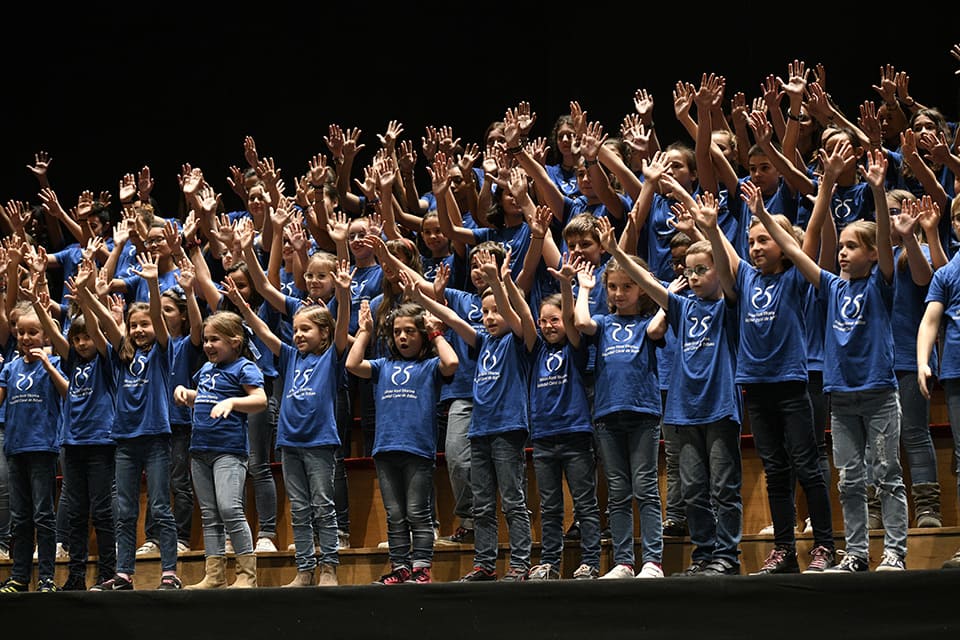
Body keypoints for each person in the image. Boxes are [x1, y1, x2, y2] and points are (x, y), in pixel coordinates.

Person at [752, 146, 909, 573]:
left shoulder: (881, 282)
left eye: (851, 247)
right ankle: (856, 553)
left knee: (887, 475)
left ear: (873, 254)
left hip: (878, 394)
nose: (841, 253)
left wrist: (877, 189)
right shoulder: (831, 287)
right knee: (850, 479)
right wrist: (763, 216)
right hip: (840, 398)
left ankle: (895, 551)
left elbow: (882, 238)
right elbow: (795, 249)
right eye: (839, 246)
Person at [605, 193, 745, 576]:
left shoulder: (729, 303)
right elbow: (646, 283)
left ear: (718, 271)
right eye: (689, 270)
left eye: (703, 269)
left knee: (723, 487)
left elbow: (731, 269)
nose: (695, 276)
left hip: (719, 407)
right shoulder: (682, 307)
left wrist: (709, 229)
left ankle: (727, 558)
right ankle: (704, 555)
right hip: (683, 410)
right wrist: (616, 251)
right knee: (694, 488)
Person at [718, 181, 836, 574]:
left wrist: (764, 214)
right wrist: (702, 219)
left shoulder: (795, 277)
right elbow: (722, 249)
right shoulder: (748, 278)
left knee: (807, 465)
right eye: (751, 241)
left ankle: (824, 546)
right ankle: (784, 549)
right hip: (756, 387)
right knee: (775, 471)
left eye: (763, 240)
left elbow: (812, 235)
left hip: (790, 385)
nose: (754, 248)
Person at [413, 247, 536, 582]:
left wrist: (498, 282)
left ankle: (521, 564)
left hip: (508, 428)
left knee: (512, 499)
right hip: (480, 429)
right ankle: (484, 563)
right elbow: (453, 319)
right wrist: (421, 299)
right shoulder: (481, 341)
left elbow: (520, 317)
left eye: (496, 311)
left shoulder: (519, 340)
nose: (490, 317)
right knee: (482, 503)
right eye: (484, 312)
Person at [227, 256, 352, 587]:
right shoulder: (291, 356)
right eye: (295, 330)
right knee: (299, 508)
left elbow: (342, 327)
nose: (297, 336)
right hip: (290, 442)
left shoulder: (331, 355)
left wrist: (343, 295)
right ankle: (305, 569)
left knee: (322, 506)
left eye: (305, 330)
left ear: (323, 334)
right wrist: (242, 303)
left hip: (320, 442)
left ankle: (329, 568)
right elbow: (264, 330)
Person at [78, 252, 183, 590]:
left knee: (160, 507)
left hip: (155, 438)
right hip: (124, 440)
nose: (139, 329)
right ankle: (124, 573)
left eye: (145, 324)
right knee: (124, 510)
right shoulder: (119, 357)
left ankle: (169, 572)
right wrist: (86, 295)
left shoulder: (162, 353)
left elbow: (158, 319)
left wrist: (152, 284)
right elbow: (101, 326)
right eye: (134, 325)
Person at [348, 294, 458, 585]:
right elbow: (352, 363)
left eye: (410, 331)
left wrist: (435, 332)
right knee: (395, 514)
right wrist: (365, 331)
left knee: (417, 512)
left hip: (417, 449)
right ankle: (401, 568)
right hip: (385, 449)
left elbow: (451, 362)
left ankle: (421, 568)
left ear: (422, 335)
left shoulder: (429, 366)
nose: (402, 337)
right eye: (397, 332)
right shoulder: (383, 366)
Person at [573, 238, 666, 579]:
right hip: (608, 415)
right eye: (612, 287)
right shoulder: (604, 323)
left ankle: (653, 561)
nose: (618, 293)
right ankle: (624, 561)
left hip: (642, 413)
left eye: (627, 286)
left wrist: (649, 285)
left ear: (640, 289)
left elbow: (659, 325)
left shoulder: (646, 324)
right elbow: (582, 323)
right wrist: (585, 288)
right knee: (618, 491)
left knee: (645, 488)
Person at [28, 257, 118, 590]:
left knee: (103, 511)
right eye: (77, 339)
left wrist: (86, 296)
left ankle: (109, 574)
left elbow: (97, 328)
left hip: (101, 443)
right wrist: (38, 304)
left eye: (86, 339)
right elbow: (52, 331)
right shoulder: (71, 361)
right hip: (73, 443)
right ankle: (77, 575)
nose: (82, 343)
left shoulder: (107, 361)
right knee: (77, 513)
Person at [173, 309, 267, 589]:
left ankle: (246, 575)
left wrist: (233, 403)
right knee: (210, 514)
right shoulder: (206, 369)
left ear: (235, 342)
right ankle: (214, 575)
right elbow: (206, 398)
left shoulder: (244, 368)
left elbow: (260, 400)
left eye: (215, 340)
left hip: (229, 451)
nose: (208, 345)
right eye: (205, 340)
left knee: (230, 509)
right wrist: (187, 395)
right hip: (200, 449)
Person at [526, 255, 602, 581]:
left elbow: (572, 322)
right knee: (551, 508)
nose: (548, 326)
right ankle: (550, 564)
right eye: (543, 321)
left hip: (575, 435)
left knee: (585, 504)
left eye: (554, 319)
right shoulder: (535, 349)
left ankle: (590, 561)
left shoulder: (574, 347)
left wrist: (565, 284)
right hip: (543, 438)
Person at [0, 297, 68, 593]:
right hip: (15, 449)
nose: (26, 338)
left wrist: (46, 364)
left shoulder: (54, 363)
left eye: (33, 333)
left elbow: (67, 393)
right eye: (21, 333)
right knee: (20, 516)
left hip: (42, 449)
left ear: (45, 334)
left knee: (43, 514)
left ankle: (48, 577)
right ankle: (19, 576)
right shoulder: (10, 368)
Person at [918, 197, 960, 568]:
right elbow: (931, 320)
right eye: (959, 218)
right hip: (957, 373)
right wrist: (922, 362)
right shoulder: (947, 273)